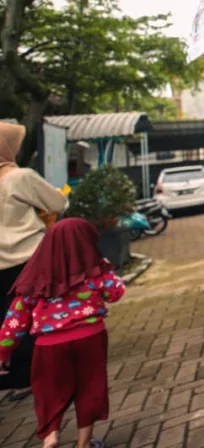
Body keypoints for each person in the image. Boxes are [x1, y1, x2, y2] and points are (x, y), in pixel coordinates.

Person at [0, 218, 124, 448]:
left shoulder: (34, 278)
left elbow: (15, 318)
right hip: (91, 338)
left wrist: (3, 351)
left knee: (48, 391)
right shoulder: (95, 271)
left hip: (48, 346)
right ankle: (83, 443)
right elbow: (115, 293)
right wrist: (107, 268)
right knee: (90, 387)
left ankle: (51, 437)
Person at [0, 122, 67, 399]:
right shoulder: (20, 177)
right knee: (40, 315)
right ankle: (44, 373)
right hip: (30, 258)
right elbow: (58, 203)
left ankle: (15, 375)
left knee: (9, 318)